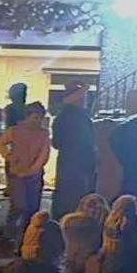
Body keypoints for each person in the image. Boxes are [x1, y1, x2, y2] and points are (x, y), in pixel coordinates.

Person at [0, 102, 52, 235]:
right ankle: (8, 234)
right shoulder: (15, 131)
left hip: (34, 174)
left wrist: (33, 169)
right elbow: (0, 144)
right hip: (17, 173)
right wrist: (9, 157)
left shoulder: (43, 134)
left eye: (40, 118)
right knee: (18, 206)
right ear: (27, 116)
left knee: (32, 207)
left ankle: (27, 233)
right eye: (35, 117)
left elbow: (44, 155)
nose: (38, 121)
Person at [52, 84, 98, 219]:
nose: (86, 101)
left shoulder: (62, 117)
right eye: (83, 97)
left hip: (67, 162)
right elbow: (87, 142)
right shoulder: (78, 118)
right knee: (76, 197)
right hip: (79, 165)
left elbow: (56, 143)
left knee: (64, 196)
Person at [62, 193, 110, 273]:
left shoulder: (108, 236)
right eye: (90, 206)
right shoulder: (71, 223)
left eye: (98, 208)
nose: (93, 211)